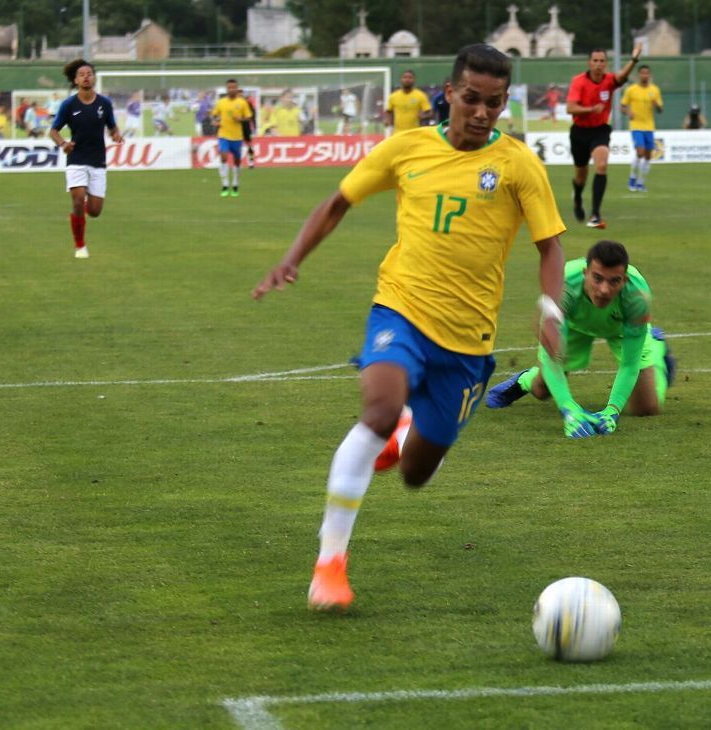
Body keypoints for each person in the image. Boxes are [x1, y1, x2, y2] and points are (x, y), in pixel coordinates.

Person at [250, 44, 571, 613]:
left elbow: (550, 245)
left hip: (469, 343)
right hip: (400, 308)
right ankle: (330, 562)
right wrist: (292, 256)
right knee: (375, 410)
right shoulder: (407, 148)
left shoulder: (519, 164)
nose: (481, 112)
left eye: (494, 103)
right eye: (471, 98)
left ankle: (406, 435)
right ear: (448, 92)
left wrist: (550, 310)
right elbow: (337, 201)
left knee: (418, 473)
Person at [486, 240, 674, 435]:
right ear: (586, 274)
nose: (604, 290)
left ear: (624, 280)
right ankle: (524, 380)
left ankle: (656, 346)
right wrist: (569, 410)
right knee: (542, 390)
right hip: (575, 325)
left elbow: (629, 364)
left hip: (620, 329)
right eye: (597, 278)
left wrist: (612, 412)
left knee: (647, 408)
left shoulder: (637, 297)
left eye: (614, 281)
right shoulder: (563, 285)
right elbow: (552, 359)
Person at [49, 59, 123, 260]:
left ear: (94, 77)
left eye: (89, 73)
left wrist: (116, 134)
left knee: (95, 211)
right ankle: (80, 245)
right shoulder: (68, 105)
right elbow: (53, 131)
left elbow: (112, 126)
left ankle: (78, 215)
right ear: (76, 80)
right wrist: (63, 144)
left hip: (98, 160)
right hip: (76, 159)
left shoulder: (104, 104)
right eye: (82, 74)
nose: (86, 77)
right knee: (78, 199)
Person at [566, 44, 641, 229]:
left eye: (602, 61)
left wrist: (634, 60)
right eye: (595, 61)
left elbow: (621, 77)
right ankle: (577, 196)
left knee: (601, 164)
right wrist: (591, 109)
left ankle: (595, 214)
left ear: (606, 63)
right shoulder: (579, 81)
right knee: (581, 177)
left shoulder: (608, 81)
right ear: (589, 63)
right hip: (579, 131)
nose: (598, 64)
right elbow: (570, 108)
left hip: (600, 130)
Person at [620, 65, 663, 192]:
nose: (645, 75)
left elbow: (661, 109)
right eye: (642, 73)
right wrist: (628, 113)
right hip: (636, 126)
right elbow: (622, 106)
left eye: (647, 73)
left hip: (649, 127)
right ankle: (632, 178)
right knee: (640, 152)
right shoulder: (631, 90)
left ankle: (640, 182)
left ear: (649, 75)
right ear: (639, 75)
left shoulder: (655, 90)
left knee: (648, 156)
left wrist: (657, 106)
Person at [210, 79, 252, 197]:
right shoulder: (221, 102)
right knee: (223, 156)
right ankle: (224, 184)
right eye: (229, 88)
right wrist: (215, 122)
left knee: (237, 161)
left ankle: (235, 183)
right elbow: (214, 115)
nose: (231, 89)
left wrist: (241, 120)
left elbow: (249, 117)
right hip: (224, 135)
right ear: (226, 89)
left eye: (234, 87)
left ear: (237, 88)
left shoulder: (242, 102)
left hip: (237, 137)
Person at [384, 70, 432, 134]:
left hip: (415, 132)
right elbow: (388, 111)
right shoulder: (393, 96)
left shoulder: (421, 95)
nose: (407, 79)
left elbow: (429, 112)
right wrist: (388, 120)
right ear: (401, 80)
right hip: (397, 133)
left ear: (414, 80)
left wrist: (423, 116)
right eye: (405, 77)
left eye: (410, 77)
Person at [239, 88, 258, 168]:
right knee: (237, 145)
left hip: (246, 126)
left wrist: (254, 126)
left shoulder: (247, 104)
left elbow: (252, 116)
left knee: (249, 144)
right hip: (236, 127)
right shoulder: (233, 103)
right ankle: (238, 162)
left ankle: (251, 161)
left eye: (241, 93)